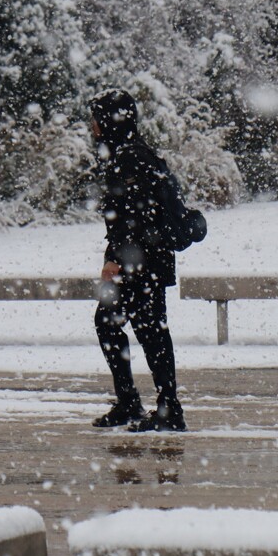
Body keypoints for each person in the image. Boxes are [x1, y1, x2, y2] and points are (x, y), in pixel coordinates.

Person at [88, 89, 187, 432]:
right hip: (149, 260)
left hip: (139, 262)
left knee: (133, 328)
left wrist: (115, 260)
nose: (93, 127)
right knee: (145, 329)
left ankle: (160, 406)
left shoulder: (128, 159)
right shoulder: (137, 154)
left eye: (97, 118)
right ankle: (155, 404)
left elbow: (131, 219)